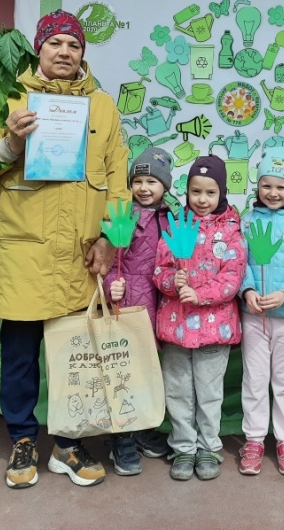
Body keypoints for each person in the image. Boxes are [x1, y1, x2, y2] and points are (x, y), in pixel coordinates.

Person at [0, 10, 129, 489]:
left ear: (83, 54)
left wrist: (112, 240)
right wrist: (11, 144)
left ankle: (68, 444)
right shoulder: (7, 97)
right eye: (55, 43)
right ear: (39, 49)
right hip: (25, 256)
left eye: (73, 45)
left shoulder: (103, 106)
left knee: (76, 356)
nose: (64, 52)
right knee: (19, 356)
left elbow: (118, 178)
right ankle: (22, 439)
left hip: (81, 256)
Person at [153, 155, 248, 481]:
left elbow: (232, 277)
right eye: (196, 191)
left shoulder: (231, 230)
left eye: (210, 192)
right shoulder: (176, 225)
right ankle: (183, 447)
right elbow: (160, 270)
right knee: (178, 390)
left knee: (209, 393)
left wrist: (200, 293)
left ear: (221, 192)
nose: (202, 199)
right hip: (176, 327)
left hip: (214, 328)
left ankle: (208, 446)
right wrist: (172, 282)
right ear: (187, 191)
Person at [237, 147, 284, 476]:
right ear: (257, 186)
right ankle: (254, 439)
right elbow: (239, 261)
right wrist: (248, 290)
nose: (273, 192)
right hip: (253, 316)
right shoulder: (247, 220)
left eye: (281, 186)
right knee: (254, 379)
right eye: (266, 185)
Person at [102, 147, 174, 474]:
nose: (144, 188)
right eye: (138, 181)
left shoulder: (170, 218)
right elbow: (110, 262)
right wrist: (112, 285)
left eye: (152, 182)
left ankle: (141, 429)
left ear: (165, 186)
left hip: (159, 305)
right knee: (123, 374)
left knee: (147, 372)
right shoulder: (123, 216)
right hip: (129, 303)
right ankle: (121, 439)